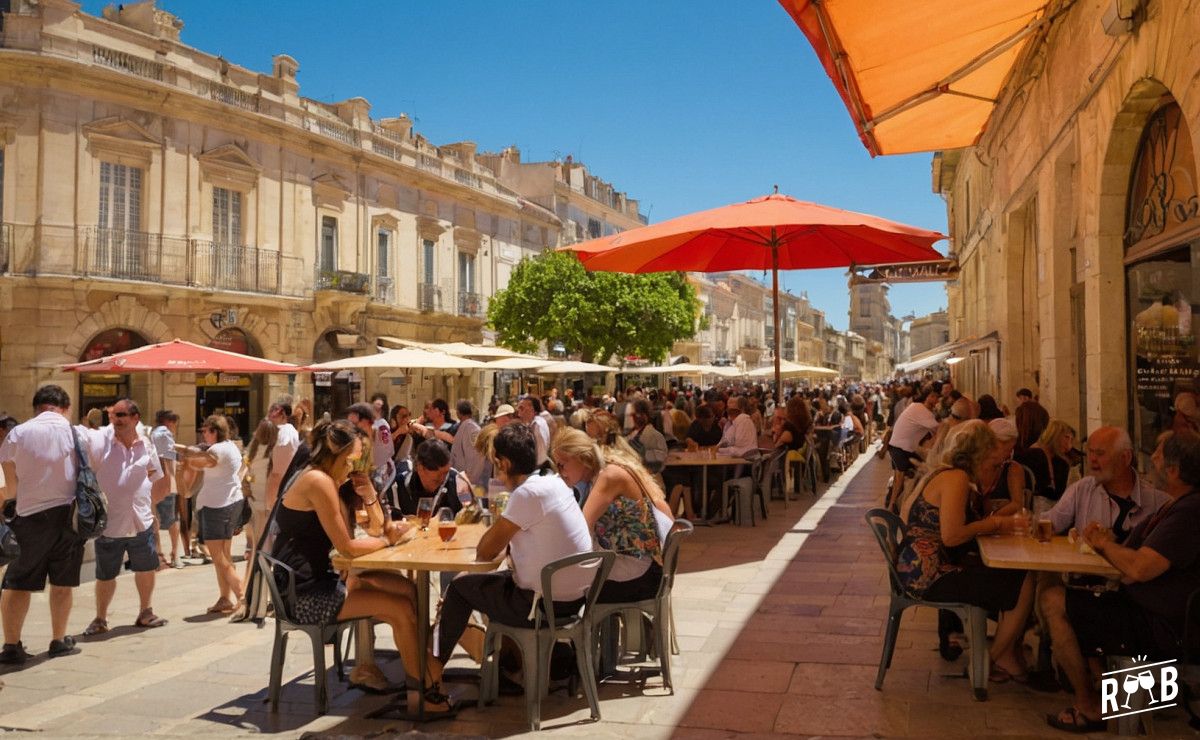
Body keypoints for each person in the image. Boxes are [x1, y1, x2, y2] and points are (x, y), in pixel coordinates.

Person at [271, 419, 452, 716]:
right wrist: (389, 540)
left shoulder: (330, 481)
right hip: (305, 594)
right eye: (351, 459)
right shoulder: (318, 481)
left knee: (408, 590)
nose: (355, 465)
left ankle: (424, 672)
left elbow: (374, 527)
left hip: (322, 579)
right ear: (335, 455)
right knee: (401, 609)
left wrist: (369, 497)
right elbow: (349, 547)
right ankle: (422, 691)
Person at [1047, 431, 1200, 733]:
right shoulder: (1175, 506)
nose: (1150, 462)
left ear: (1173, 470)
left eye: (1156, 456)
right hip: (1145, 610)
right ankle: (1113, 702)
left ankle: (1091, 705)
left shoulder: (1189, 512)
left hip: (1163, 627)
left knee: (1053, 601)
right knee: (1072, 597)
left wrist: (1104, 545)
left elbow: (1140, 568)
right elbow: (1131, 556)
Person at [430, 424, 593, 686]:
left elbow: (486, 551)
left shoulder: (527, 494)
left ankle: (430, 672)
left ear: (503, 463)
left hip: (541, 605)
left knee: (460, 588)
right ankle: (511, 665)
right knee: (488, 586)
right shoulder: (553, 482)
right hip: (572, 599)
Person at [896, 420, 1035, 683]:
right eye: (992, 461)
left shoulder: (944, 472)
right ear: (979, 454)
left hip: (914, 568)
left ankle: (1003, 653)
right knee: (1024, 580)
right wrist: (997, 523)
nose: (994, 467)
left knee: (1006, 574)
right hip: (927, 576)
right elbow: (951, 536)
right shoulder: (956, 479)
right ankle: (990, 659)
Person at [1037, 426, 1168, 702]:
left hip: (1133, 600)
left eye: (1100, 454)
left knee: (1052, 600)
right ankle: (1087, 682)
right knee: (1046, 588)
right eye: (1090, 453)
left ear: (1125, 457)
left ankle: (1089, 695)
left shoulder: (1158, 502)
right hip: (1088, 586)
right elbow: (1052, 521)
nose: (1092, 460)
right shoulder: (1084, 489)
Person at [0, 385, 85, 663]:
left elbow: (10, 489)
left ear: (36, 407)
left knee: (18, 584)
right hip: (69, 517)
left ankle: (12, 646)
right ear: (66, 407)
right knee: (63, 583)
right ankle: (59, 640)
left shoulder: (17, 434)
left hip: (29, 519)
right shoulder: (78, 433)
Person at [79, 398, 170, 636]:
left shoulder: (145, 444)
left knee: (146, 569)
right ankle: (100, 618)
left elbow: (155, 474)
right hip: (111, 524)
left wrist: (148, 504)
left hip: (140, 520)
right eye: (112, 415)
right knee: (105, 574)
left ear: (135, 418)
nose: (115, 420)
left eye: (120, 415)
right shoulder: (101, 443)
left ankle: (145, 612)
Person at [552, 428, 673, 602]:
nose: (559, 471)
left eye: (562, 464)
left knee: (563, 590)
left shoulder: (609, 476)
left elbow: (581, 530)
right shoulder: (609, 467)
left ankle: (582, 628)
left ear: (582, 458)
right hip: (644, 569)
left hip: (640, 576)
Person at [179, 415, 246, 615]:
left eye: (206, 431)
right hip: (229, 503)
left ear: (214, 431)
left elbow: (205, 461)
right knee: (224, 556)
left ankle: (243, 596)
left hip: (218, 507)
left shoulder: (216, 450)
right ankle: (225, 598)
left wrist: (186, 458)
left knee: (218, 557)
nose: (203, 434)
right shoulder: (231, 446)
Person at [886, 386, 941, 507]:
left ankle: (896, 503)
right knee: (925, 472)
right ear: (927, 397)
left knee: (900, 478)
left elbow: (932, 433)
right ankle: (892, 506)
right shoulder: (921, 410)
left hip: (897, 446)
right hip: (901, 448)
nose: (937, 399)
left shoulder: (916, 407)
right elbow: (940, 429)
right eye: (934, 396)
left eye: (937, 397)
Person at [390, 439, 472, 516]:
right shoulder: (398, 487)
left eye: (446, 472)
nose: (443, 479)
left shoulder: (458, 481)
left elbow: (471, 514)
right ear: (420, 468)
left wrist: (468, 504)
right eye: (438, 476)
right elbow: (394, 524)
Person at [150, 409, 184, 569]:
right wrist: (183, 457)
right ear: (169, 422)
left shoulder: (152, 433)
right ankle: (174, 554)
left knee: (154, 519)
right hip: (166, 483)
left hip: (153, 483)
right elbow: (168, 455)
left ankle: (159, 554)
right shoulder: (164, 434)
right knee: (172, 520)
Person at [1015, 419, 1075, 506]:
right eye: (1066, 437)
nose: (1069, 444)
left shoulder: (1060, 462)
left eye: (1071, 439)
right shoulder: (1034, 455)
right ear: (1056, 435)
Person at [242, 419, 277, 564]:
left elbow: (247, 470)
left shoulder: (253, 448)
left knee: (257, 527)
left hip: (254, 493)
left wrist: (248, 483)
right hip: (267, 493)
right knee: (266, 529)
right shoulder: (274, 450)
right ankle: (264, 558)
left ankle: (255, 552)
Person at [266, 398, 300, 511]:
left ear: (283, 414)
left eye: (273, 411)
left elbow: (278, 472)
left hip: (276, 490)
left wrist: (270, 502)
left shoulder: (284, 431)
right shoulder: (288, 431)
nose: (270, 415)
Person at [626, 399, 668, 475]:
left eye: (633, 414)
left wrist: (645, 454)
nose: (630, 418)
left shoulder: (656, 436)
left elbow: (662, 459)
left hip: (651, 480)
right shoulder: (630, 435)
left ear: (644, 415)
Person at [449, 400, 484, 489]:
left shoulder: (471, 428)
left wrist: (470, 480)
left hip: (469, 481)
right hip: (461, 478)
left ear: (459, 413)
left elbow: (474, 455)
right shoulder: (465, 426)